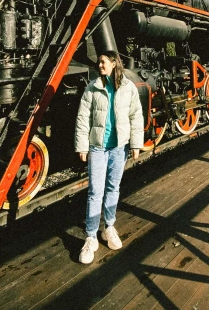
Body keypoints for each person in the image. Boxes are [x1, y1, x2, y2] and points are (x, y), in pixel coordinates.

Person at [74, 50, 144, 264]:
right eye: (99, 62)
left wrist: (136, 144)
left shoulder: (128, 88)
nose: (99, 65)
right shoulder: (92, 88)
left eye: (103, 62)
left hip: (119, 147)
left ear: (114, 63)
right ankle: (91, 236)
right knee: (95, 191)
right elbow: (82, 118)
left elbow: (136, 115)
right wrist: (82, 146)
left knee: (113, 188)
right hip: (97, 147)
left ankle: (109, 227)